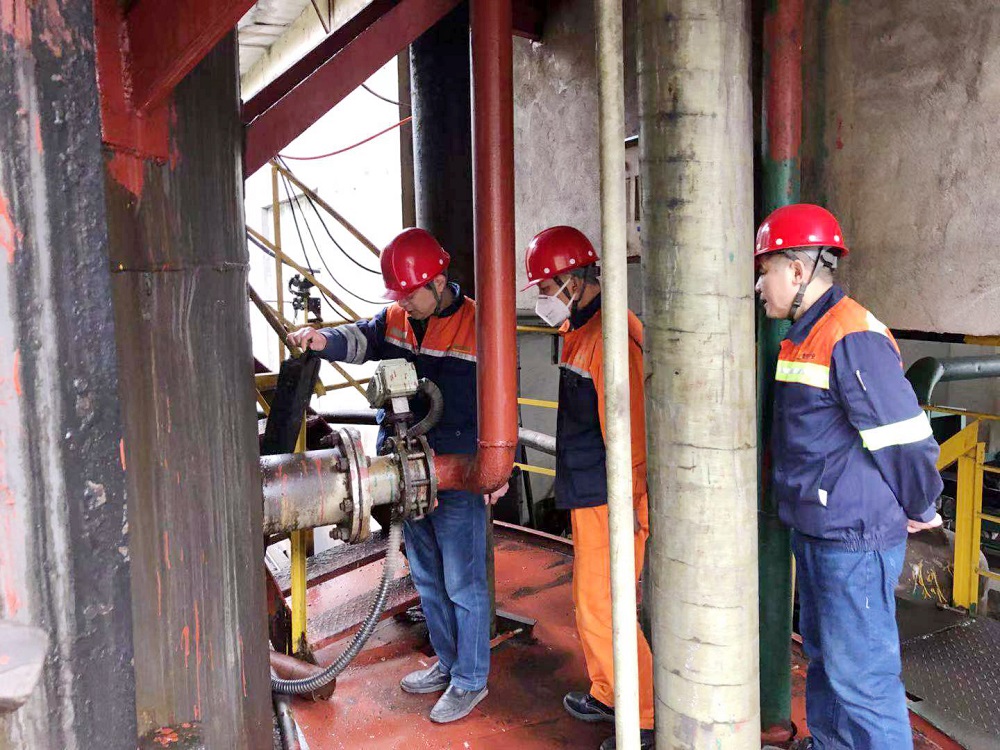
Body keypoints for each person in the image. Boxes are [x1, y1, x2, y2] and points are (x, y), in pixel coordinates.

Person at [289, 227, 504, 724]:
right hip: (406, 469)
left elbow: (500, 398)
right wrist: (323, 340)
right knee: (427, 576)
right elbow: (360, 338)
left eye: (410, 293)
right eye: (399, 294)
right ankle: (447, 663)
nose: (403, 302)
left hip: (456, 472)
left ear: (439, 281)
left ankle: (471, 679)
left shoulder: (479, 324)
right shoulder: (396, 318)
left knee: (463, 583)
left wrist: (499, 469)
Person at [755, 204, 943, 750]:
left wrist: (922, 505)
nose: (759, 286)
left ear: (797, 270)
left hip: (853, 540)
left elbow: (905, 438)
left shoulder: (849, 335)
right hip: (822, 531)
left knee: (863, 680)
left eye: (765, 271)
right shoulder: (806, 334)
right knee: (827, 660)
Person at [523, 225, 655, 750]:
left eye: (544, 288)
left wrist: (637, 505)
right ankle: (609, 692)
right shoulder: (581, 329)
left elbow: (634, 435)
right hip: (591, 491)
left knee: (606, 605)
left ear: (573, 282)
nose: (541, 300)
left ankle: (644, 716)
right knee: (591, 602)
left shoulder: (612, 339)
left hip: (612, 497)